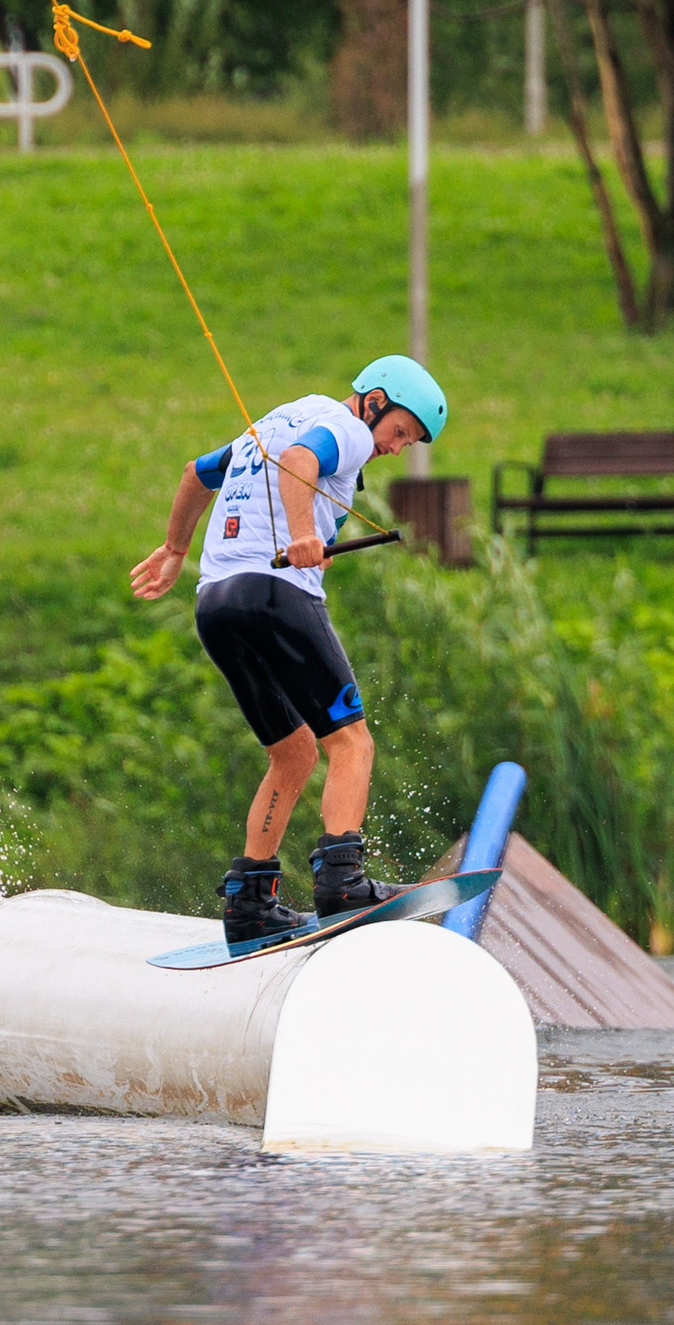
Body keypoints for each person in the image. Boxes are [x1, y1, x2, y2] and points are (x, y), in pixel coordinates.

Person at [128, 355, 448, 942]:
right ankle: (343, 882)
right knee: (352, 743)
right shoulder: (347, 428)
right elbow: (302, 463)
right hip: (275, 596)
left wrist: (176, 548)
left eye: (410, 443)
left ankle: (250, 898)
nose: (397, 448)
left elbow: (195, 474)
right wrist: (304, 531)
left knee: (295, 752)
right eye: (400, 432)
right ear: (374, 401)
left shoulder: (274, 422)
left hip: (216, 605)